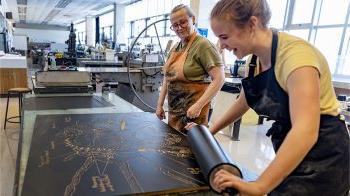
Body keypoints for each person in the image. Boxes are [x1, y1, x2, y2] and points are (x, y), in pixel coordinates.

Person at [207, 0, 350, 195]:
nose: (221, 46)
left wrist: (259, 186)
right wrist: (210, 131)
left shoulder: (297, 58)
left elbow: (306, 131)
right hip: (292, 145)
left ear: (252, 24)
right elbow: (245, 100)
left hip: (324, 155)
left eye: (224, 37)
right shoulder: (254, 59)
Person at [156, 4, 225, 132]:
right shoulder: (175, 47)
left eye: (183, 22)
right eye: (175, 25)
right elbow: (167, 78)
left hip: (194, 114)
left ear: (192, 19)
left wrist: (198, 105)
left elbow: (219, 78)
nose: (179, 28)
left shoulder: (203, 45)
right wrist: (159, 105)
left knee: (191, 149)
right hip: (174, 112)